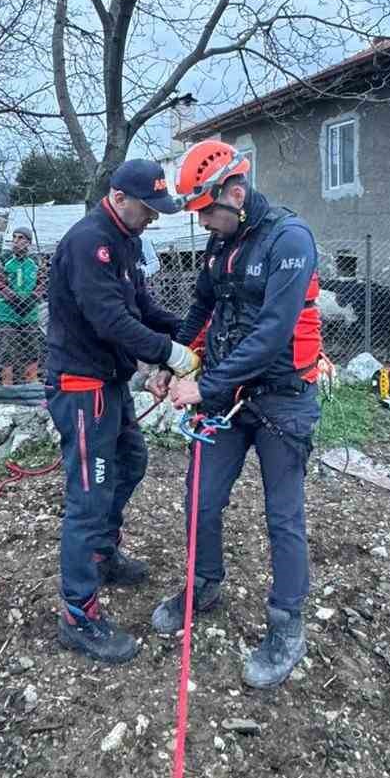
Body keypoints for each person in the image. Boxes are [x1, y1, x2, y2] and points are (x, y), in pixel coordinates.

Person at [150, 139, 323, 689]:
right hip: (225, 395)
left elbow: (274, 333)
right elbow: (201, 306)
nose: (203, 223)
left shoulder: (290, 241)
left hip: (281, 396)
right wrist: (171, 361)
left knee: (283, 515)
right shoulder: (220, 245)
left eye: (207, 211)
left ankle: (287, 624)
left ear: (237, 193)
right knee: (199, 497)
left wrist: (205, 387)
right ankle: (203, 584)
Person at [46, 160, 200, 664]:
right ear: (118, 196)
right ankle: (78, 613)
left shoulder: (126, 240)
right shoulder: (90, 242)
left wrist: (188, 332)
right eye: (148, 209)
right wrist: (169, 354)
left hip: (109, 381)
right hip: (82, 384)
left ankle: (101, 553)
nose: (153, 218)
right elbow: (110, 319)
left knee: (131, 463)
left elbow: (141, 306)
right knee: (88, 495)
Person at [0, 228, 45, 385]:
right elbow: (0, 284)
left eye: (21, 238)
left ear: (28, 242)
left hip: (29, 313)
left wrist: (31, 300)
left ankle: (32, 380)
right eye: (14, 237)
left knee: (32, 348)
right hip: (7, 312)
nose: (16, 241)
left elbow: (42, 282)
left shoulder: (36, 262)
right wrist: (15, 300)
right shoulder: (2, 260)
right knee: (7, 349)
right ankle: (7, 383)